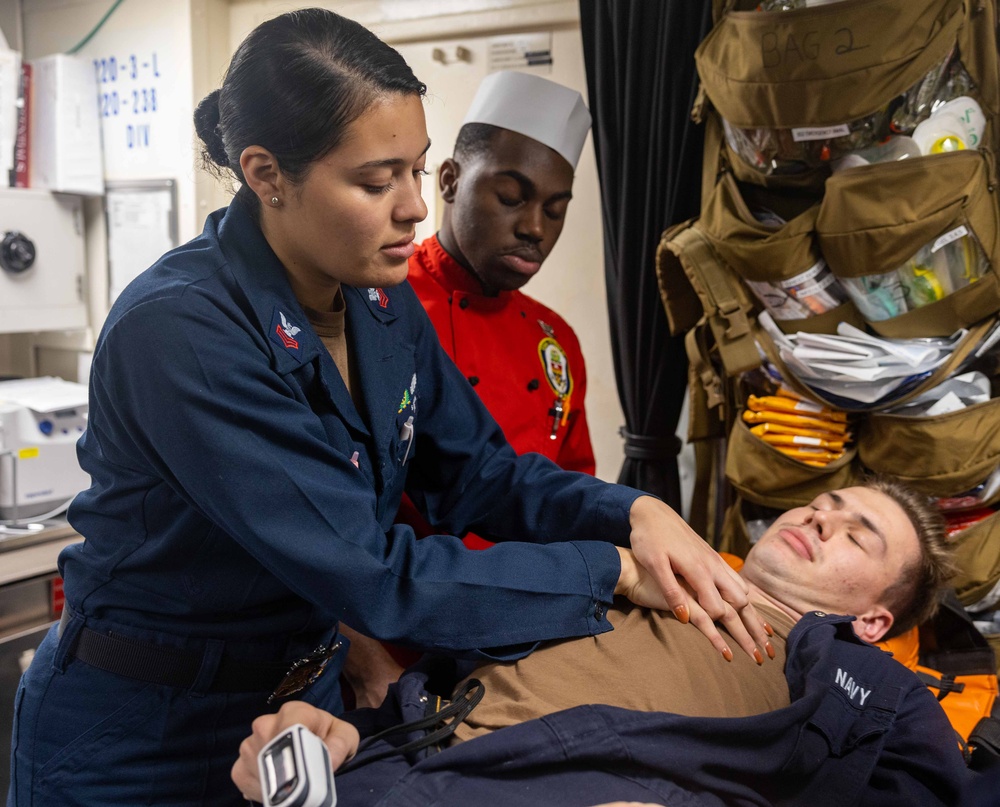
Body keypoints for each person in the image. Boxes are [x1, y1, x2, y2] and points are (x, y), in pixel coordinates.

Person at [6, 9, 770, 807]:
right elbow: (370, 570)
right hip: (143, 730)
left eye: (417, 169)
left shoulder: (374, 299)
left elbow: (477, 472)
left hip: (297, 708)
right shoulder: (182, 331)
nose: (413, 207)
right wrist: (609, 568)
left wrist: (632, 512)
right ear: (267, 174)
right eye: (376, 182)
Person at [232, 477, 978, 806]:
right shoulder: (630, 563)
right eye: (822, 503)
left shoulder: (860, 681)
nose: (819, 519)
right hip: (385, 768)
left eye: (857, 534)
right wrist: (337, 736)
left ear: (877, 619)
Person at [341, 70, 600, 707]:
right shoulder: (378, 305)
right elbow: (319, 525)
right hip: (390, 650)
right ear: (452, 181)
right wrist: (366, 661)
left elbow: (570, 496)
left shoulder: (554, 340)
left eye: (556, 210)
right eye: (511, 196)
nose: (535, 227)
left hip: (521, 650)